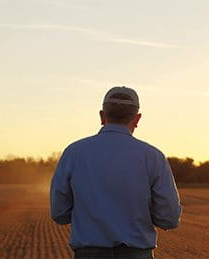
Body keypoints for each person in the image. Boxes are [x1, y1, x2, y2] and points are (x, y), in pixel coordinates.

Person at [50, 86, 182, 259]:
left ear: (102, 116)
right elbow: (169, 218)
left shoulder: (74, 152)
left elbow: (59, 213)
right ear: (137, 119)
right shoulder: (153, 157)